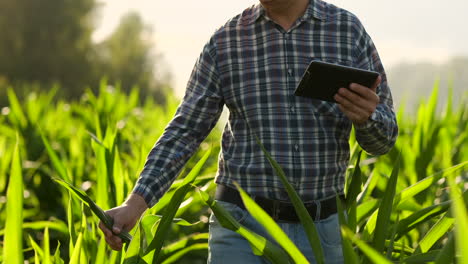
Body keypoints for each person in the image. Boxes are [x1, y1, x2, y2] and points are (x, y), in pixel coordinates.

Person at [99, 0, 398, 263]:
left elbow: (384, 140)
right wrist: (134, 205)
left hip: (322, 231)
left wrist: (366, 118)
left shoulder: (347, 31)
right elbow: (185, 130)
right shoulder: (225, 41)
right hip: (241, 229)